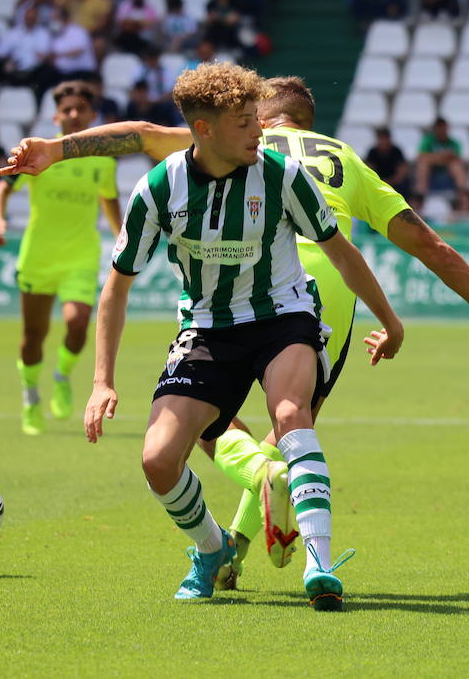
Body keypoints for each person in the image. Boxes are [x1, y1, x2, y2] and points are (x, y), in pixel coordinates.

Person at [0, 71, 469, 596]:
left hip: (285, 284)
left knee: (232, 425)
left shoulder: (254, 155)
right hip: (314, 287)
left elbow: (137, 135)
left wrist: (55, 148)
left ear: (268, 116)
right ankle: (234, 539)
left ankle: (278, 549)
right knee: (285, 423)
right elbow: (430, 244)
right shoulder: (339, 157)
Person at [88, 63, 402, 608]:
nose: (259, 131)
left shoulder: (280, 175)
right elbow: (116, 286)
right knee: (159, 460)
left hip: (285, 315)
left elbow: (341, 253)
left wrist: (390, 320)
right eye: (243, 123)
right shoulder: (159, 188)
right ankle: (212, 552)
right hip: (207, 327)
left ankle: (320, 562)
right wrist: (102, 381)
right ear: (204, 130)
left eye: (257, 119)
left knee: (290, 415)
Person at [0, 81, 122, 436]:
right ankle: (31, 396)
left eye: (81, 108)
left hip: (80, 255)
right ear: (56, 116)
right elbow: (2, 189)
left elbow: (110, 206)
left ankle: (62, 377)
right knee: (33, 335)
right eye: (67, 110)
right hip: (39, 257)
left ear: (93, 115)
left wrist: (125, 238)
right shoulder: (36, 152)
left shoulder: (103, 161)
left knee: (78, 323)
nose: (74, 114)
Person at [414, 117, 469, 212]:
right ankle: (420, 197)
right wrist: (443, 157)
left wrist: (435, 158)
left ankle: (463, 196)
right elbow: (421, 158)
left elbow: (457, 159)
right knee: (423, 165)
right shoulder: (428, 141)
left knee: (456, 166)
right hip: (431, 176)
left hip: (449, 176)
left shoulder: (454, 143)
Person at [364, 126, 410, 195]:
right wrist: (380, 182)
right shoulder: (372, 152)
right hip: (377, 184)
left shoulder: (397, 151)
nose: (383, 142)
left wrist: (389, 182)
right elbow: (369, 171)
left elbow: (402, 172)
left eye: (384, 138)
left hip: (395, 185)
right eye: (380, 138)